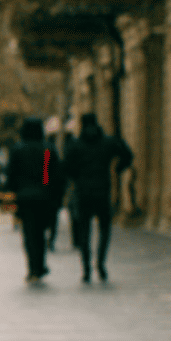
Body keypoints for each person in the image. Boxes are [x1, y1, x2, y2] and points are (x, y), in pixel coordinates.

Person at [63, 113, 134, 284]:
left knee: (84, 232)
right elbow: (128, 155)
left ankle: (86, 268)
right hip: (102, 192)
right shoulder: (108, 142)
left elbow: (63, 167)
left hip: (82, 193)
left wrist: (74, 178)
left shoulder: (73, 145)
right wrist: (117, 169)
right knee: (104, 230)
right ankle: (100, 263)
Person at [8, 118, 60, 283]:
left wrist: (14, 190)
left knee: (29, 233)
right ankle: (41, 264)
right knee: (41, 233)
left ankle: (32, 268)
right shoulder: (47, 149)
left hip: (24, 197)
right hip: (44, 195)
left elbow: (12, 173)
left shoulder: (17, 149)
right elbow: (51, 173)